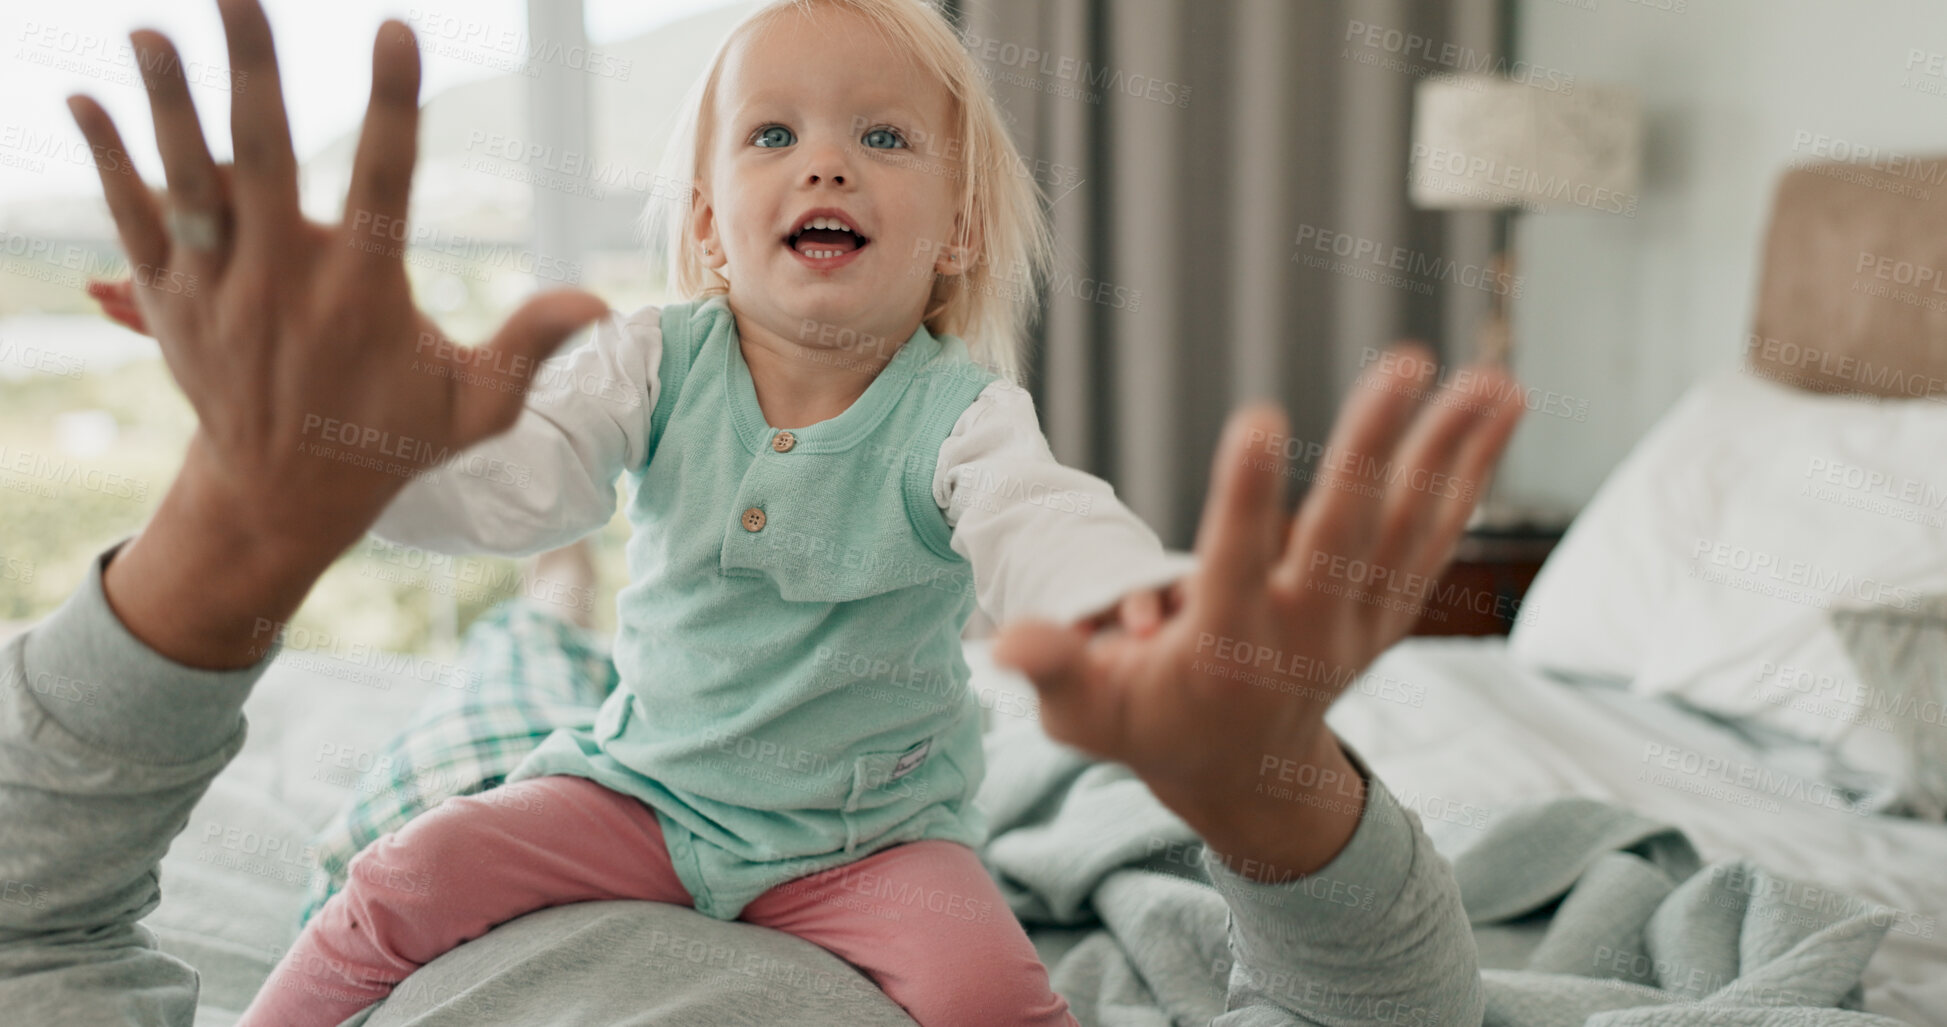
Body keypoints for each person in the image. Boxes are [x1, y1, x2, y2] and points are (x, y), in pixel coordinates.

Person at [2, 0, 1525, 1023]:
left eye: (882, 138)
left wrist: (1140, 625)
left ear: (952, 230)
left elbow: (1048, 532)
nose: (827, 163)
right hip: (644, 795)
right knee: (406, 876)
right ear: (712, 232)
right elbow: (514, 489)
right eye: (774, 135)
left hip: (871, 840)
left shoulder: (963, 415)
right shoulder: (647, 360)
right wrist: (357, 458)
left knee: (997, 999)